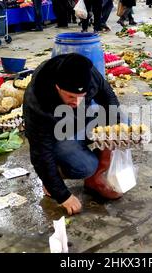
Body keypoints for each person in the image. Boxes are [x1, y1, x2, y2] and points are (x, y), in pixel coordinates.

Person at [23, 53, 123, 216]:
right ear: (57, 87)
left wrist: (115, 129)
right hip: (57, 133)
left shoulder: (87, 74)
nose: (76, 102)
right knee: (84, 166)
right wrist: (63, 195)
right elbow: (41, 153)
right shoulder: (37, 101)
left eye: (81, 97)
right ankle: (55, 174)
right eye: (70, 96)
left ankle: (95, 179)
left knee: (122, 125)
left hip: (81, 120)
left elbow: (108, 98)